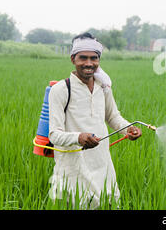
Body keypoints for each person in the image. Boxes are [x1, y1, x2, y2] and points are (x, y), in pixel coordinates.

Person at [48, 32, 142, 209]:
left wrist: (128, 129)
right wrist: (79, 137)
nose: (89, 63)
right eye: (83, 58)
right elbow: (54, 135)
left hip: (102, 162)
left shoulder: (103, 87)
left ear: (99, 60)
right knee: (78, 204)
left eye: (94, 58)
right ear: (73, 59)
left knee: (109, 203)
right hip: (73, 166)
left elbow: (113, 116)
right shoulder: (61, 90)